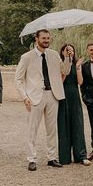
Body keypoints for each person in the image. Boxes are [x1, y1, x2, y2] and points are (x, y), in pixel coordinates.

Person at [15, 29, 70, 171]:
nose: (46, 40)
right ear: (36, 39)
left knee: (52, 129)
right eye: (44, 38)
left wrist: (68, 58)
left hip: (53, 95)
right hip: (34, 97)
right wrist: (24, 97)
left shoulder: (54, 54)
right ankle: (31, 159)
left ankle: (52, 158)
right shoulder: (26, 57)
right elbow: (18, 80)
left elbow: (65, 71)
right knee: (32, 129)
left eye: (48, 38)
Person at [57, 44, 90, 166]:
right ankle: (65, 157)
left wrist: (77, 67)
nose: (69, 52)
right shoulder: (59, 64)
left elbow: (80, 82)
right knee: (64, 125)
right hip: (62, 96)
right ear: (62, 52)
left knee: (78, 124)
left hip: (74, 96)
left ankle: (81, 155)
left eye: (71, 50)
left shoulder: (77, 65)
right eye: (67, 50)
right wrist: (66, 65)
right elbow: (59, 82)